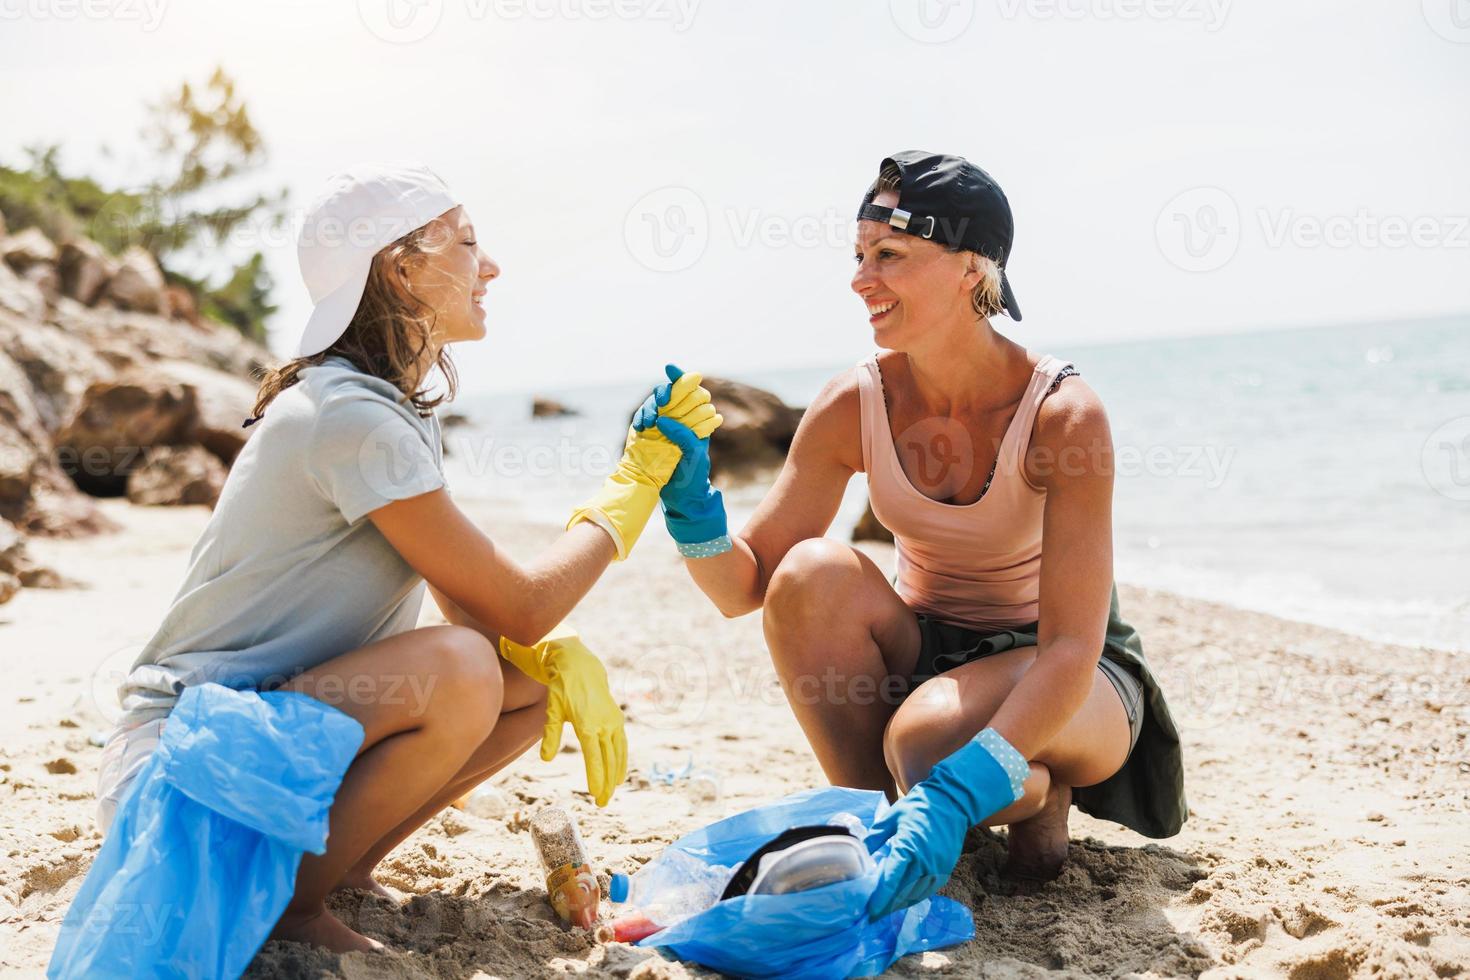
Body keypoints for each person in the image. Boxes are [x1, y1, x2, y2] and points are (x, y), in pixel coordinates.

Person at [94, 162, 718, 952]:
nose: (490, 266)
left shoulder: (386, 410)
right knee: (461, 671)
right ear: (401, 266)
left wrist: (550, 658)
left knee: (517, 681)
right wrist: (633, 483)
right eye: (466, 243)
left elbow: (488, 616)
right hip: (181, 777)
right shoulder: (349, 417)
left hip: (251, 751)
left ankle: (337, 868)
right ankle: (291, 908)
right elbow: (520, 606)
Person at [641, 151, 1186, 919]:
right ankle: (877, 824)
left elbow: (1071, 648)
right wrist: (691, 506)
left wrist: (956, 783)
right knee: (809, 574)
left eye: (889, 256)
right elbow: (747, 589)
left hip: (1071, 679)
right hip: (928, 655)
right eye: (860, 256)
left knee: (925, 746)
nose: (862, 278)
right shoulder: (850, 403)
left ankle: (1023, 790)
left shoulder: (1064, 415)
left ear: (971, 270)